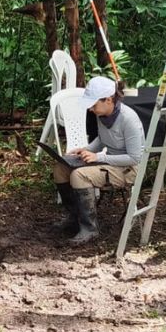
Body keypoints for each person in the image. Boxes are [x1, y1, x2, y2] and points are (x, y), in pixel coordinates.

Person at [53, 76, 144, 244]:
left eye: (93, 105)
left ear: (108, 100)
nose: (91, 109)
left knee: (79, 175)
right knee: (61, 168)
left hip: (128, 168)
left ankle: (89, 228)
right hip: (109, 162)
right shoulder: (102, 114)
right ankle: (74, 218)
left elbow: (135, 157)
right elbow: (102, 139)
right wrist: (86, 150)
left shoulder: (128, 119)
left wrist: (99, 157)